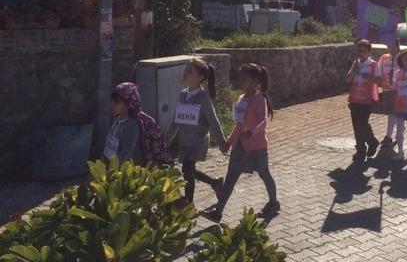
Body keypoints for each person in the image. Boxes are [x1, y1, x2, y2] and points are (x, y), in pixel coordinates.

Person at [202, 64, 279, 222]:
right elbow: (238, 125)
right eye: (240, 78)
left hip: (257, 148)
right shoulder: (241, 99)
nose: (241, 81)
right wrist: (229, 142)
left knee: (264, 174)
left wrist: (251, 132)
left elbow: (263, 121)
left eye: (245, 79)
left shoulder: (260, 99)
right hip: (239, 147)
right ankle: (218, 212)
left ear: (255, 80)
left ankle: (273, 202)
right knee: (230, 178)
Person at [165, 59, 226, 205]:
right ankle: (215, 183)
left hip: (199, 140)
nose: (186, 73)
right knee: (189, 170)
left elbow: (213, 120)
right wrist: (166, 140)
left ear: (200, 77)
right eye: (186, 70)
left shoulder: (203, 97)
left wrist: (221, 141)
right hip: (185, 140)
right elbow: (176, 121)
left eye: (190, 71)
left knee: (187, 170)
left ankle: (189, 204)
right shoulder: (182, 95)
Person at [104, 82, 172, 167]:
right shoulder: (118, 120)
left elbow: (126, 154)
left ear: (128, 104)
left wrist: (112, 168)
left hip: (128, 170)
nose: (113, 105)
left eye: (116, 102)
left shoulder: (132, 124)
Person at [345, 39, 380, 161]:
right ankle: (360, 150)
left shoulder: (374, 64)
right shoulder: (356, 64)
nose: (361, 53)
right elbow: (348, 80)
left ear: (368, 52)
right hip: (355, 99)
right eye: (359, 51)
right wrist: (355, 70)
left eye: (364, 51)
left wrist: (370, 77)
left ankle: (372, 142)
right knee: (356, 126)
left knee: (363, 124)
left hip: (366, 99)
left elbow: (380, 81)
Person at [377, 41, 400, 147]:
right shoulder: (384, 58)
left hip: (398, 91)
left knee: (392, 113)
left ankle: (389, 136)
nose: (391, 49)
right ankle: (399, 130)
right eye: (389, 46)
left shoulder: (401, 59)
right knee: (392, 113)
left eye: (393, 46)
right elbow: (378, 71)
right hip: (386, 90)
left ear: (397, 47)